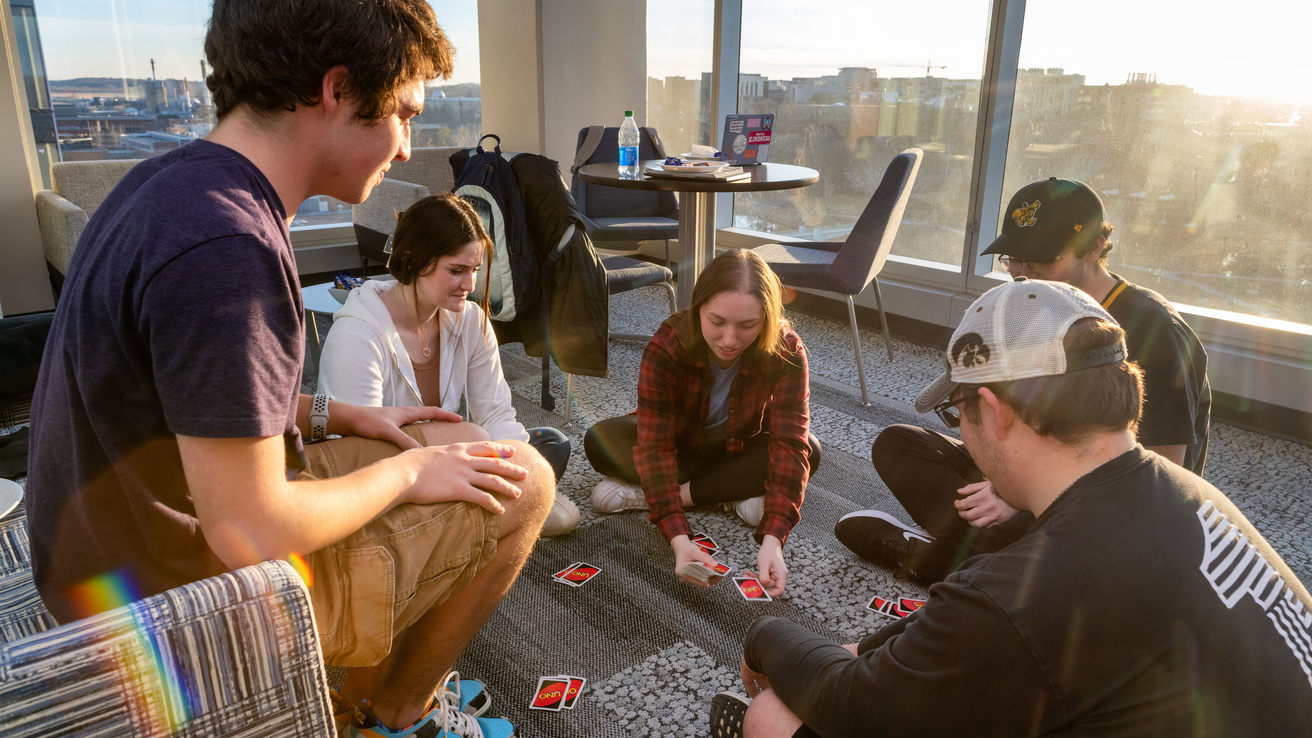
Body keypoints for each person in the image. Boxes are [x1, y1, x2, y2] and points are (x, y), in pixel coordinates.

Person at [25, 3, 547, 737]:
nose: (405, 149)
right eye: (403, 114)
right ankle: (394, 715)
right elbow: (252, 529)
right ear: (336, 91)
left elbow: (176, 402)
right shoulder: (227, 247)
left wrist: (337, 416)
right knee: (525, 481)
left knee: (451, 439)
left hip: (108, 557)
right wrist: (401, 476)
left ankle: (360, 692)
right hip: (183, 609)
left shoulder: (168, 189)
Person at [710, 279, 1312, 738]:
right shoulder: (1188, 493)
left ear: (994, 412)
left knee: (774, 713)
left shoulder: (1035, 586)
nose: (961, 432)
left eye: (958, 414)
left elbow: (853, 703)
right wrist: (870, 649)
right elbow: (990, 629)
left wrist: (765, 635)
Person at [837, 177, 1212, 582]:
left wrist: (1021, 498)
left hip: (1106, 498)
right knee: (898, 444)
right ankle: (990, 566)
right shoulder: (1034, 303)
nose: (1021, 273)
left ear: (1095, 248)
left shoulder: (1155, 330)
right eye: (1013, 258)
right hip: (1033, 469)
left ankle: (949, 564)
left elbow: (1160, 477)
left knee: (1061, 536)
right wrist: (1006, 482)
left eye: (1038, 261)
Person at [318, 193, 580, 537]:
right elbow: (358, 454)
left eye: (473, 271)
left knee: (551, 445)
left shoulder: (470, 320)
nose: (469, 286)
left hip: (449, 455)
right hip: (387, 477)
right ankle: (459, 521)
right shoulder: (356, 334)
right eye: (456, 271)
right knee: (490, 452)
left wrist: (523, 470)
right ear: (414, 260)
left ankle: (471, 516)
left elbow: (496, 414)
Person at [583, 250, 821, 597]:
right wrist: (680, 540)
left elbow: (789, 443)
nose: (729, 340)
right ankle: (731, 493)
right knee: (600, 440)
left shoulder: (787, 351)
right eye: (717, 321)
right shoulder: (667, 345)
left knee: (810, 451)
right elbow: (655, 447)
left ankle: (661, 495)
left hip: (741, 445)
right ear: (697, 310)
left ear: (767, 319)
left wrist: (774, 541)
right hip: (685, 448)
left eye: (747, 326)